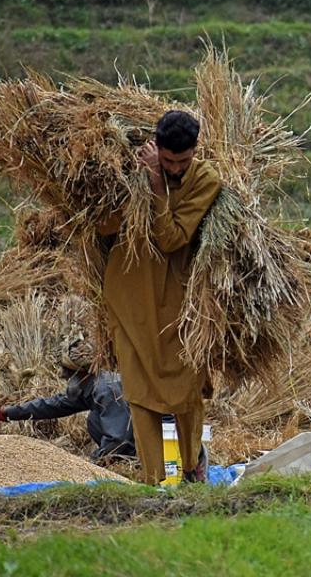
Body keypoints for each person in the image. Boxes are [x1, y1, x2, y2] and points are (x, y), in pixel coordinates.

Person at [97, 110, 221, 484]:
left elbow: (171, 239)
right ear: (156, 148)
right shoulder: (131, 167)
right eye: (168, 161)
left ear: (195, 151)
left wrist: (155, 181)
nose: (175, 169)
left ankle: (191, 467)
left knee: (187, 390)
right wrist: (130, 180)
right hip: (129, 294)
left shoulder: (205, 180)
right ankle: (152, 481)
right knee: (138, 393)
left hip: (179, 301)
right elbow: (103, 224)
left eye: (183, 161)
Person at [0, 335, 135, 460]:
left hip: (141, 446)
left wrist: (95, 462)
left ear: (80, 373)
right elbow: (51, 405)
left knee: (94, 419)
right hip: (127, 441)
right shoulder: (89, 386)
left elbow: (118, 439)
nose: (62, 376)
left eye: (66, 372)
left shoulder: (107, 390)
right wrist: (6, 413)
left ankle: (131, 462)